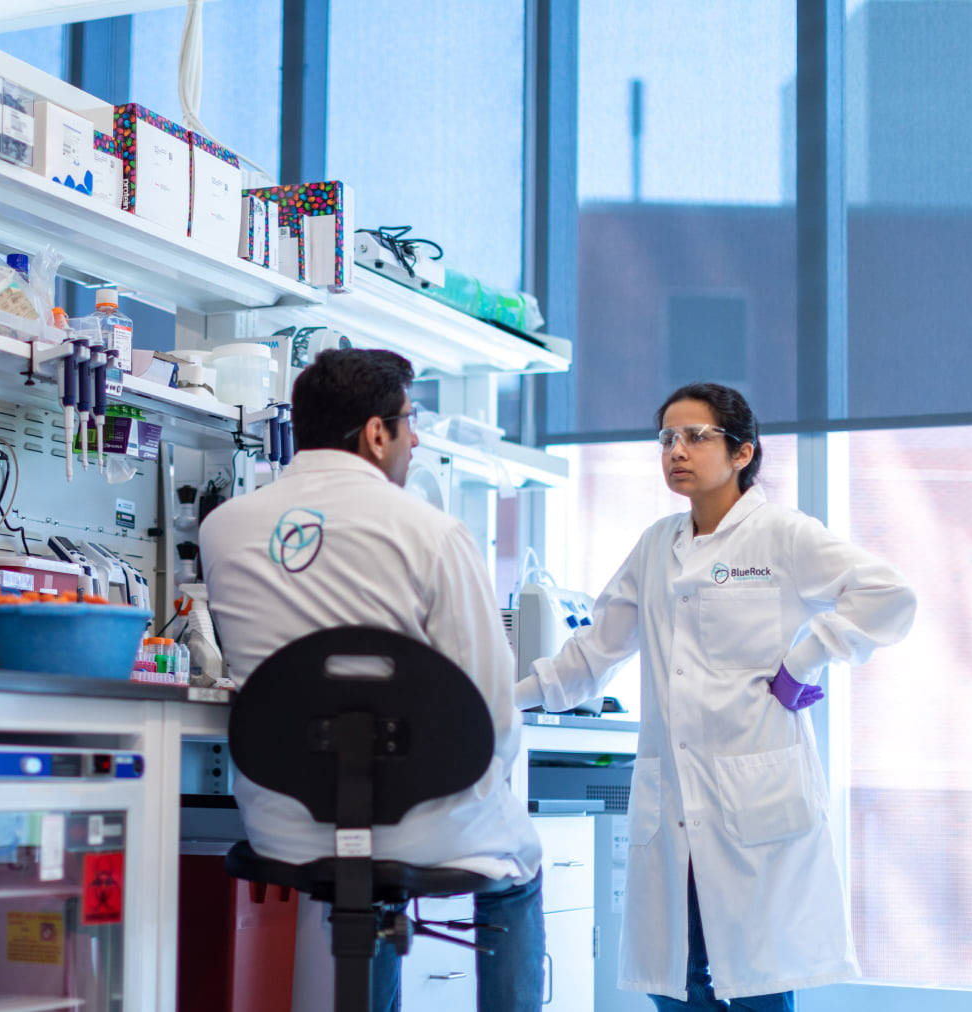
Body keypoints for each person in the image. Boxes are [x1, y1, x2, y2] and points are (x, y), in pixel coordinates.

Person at [514, 382, 916, 1010]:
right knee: (675, 985)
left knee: (755, 986)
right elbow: (594, 651)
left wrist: (805, 660)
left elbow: (889, 595)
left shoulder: (781, 534)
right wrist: (504, 698)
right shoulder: (656, 544)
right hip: (673, 794)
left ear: (742, 453)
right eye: (667, 438)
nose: (677, 450)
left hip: (752, 795)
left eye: (696, 436)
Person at [199, 348, 544, 1012]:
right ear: (375, 432)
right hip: (421, 823)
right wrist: (476, 788)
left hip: (286, 822)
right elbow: (491, 712)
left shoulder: (224, 528)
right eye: (409, 421)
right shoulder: (434, 531)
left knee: (360, 876)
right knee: (516, 867)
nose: (414, 439)